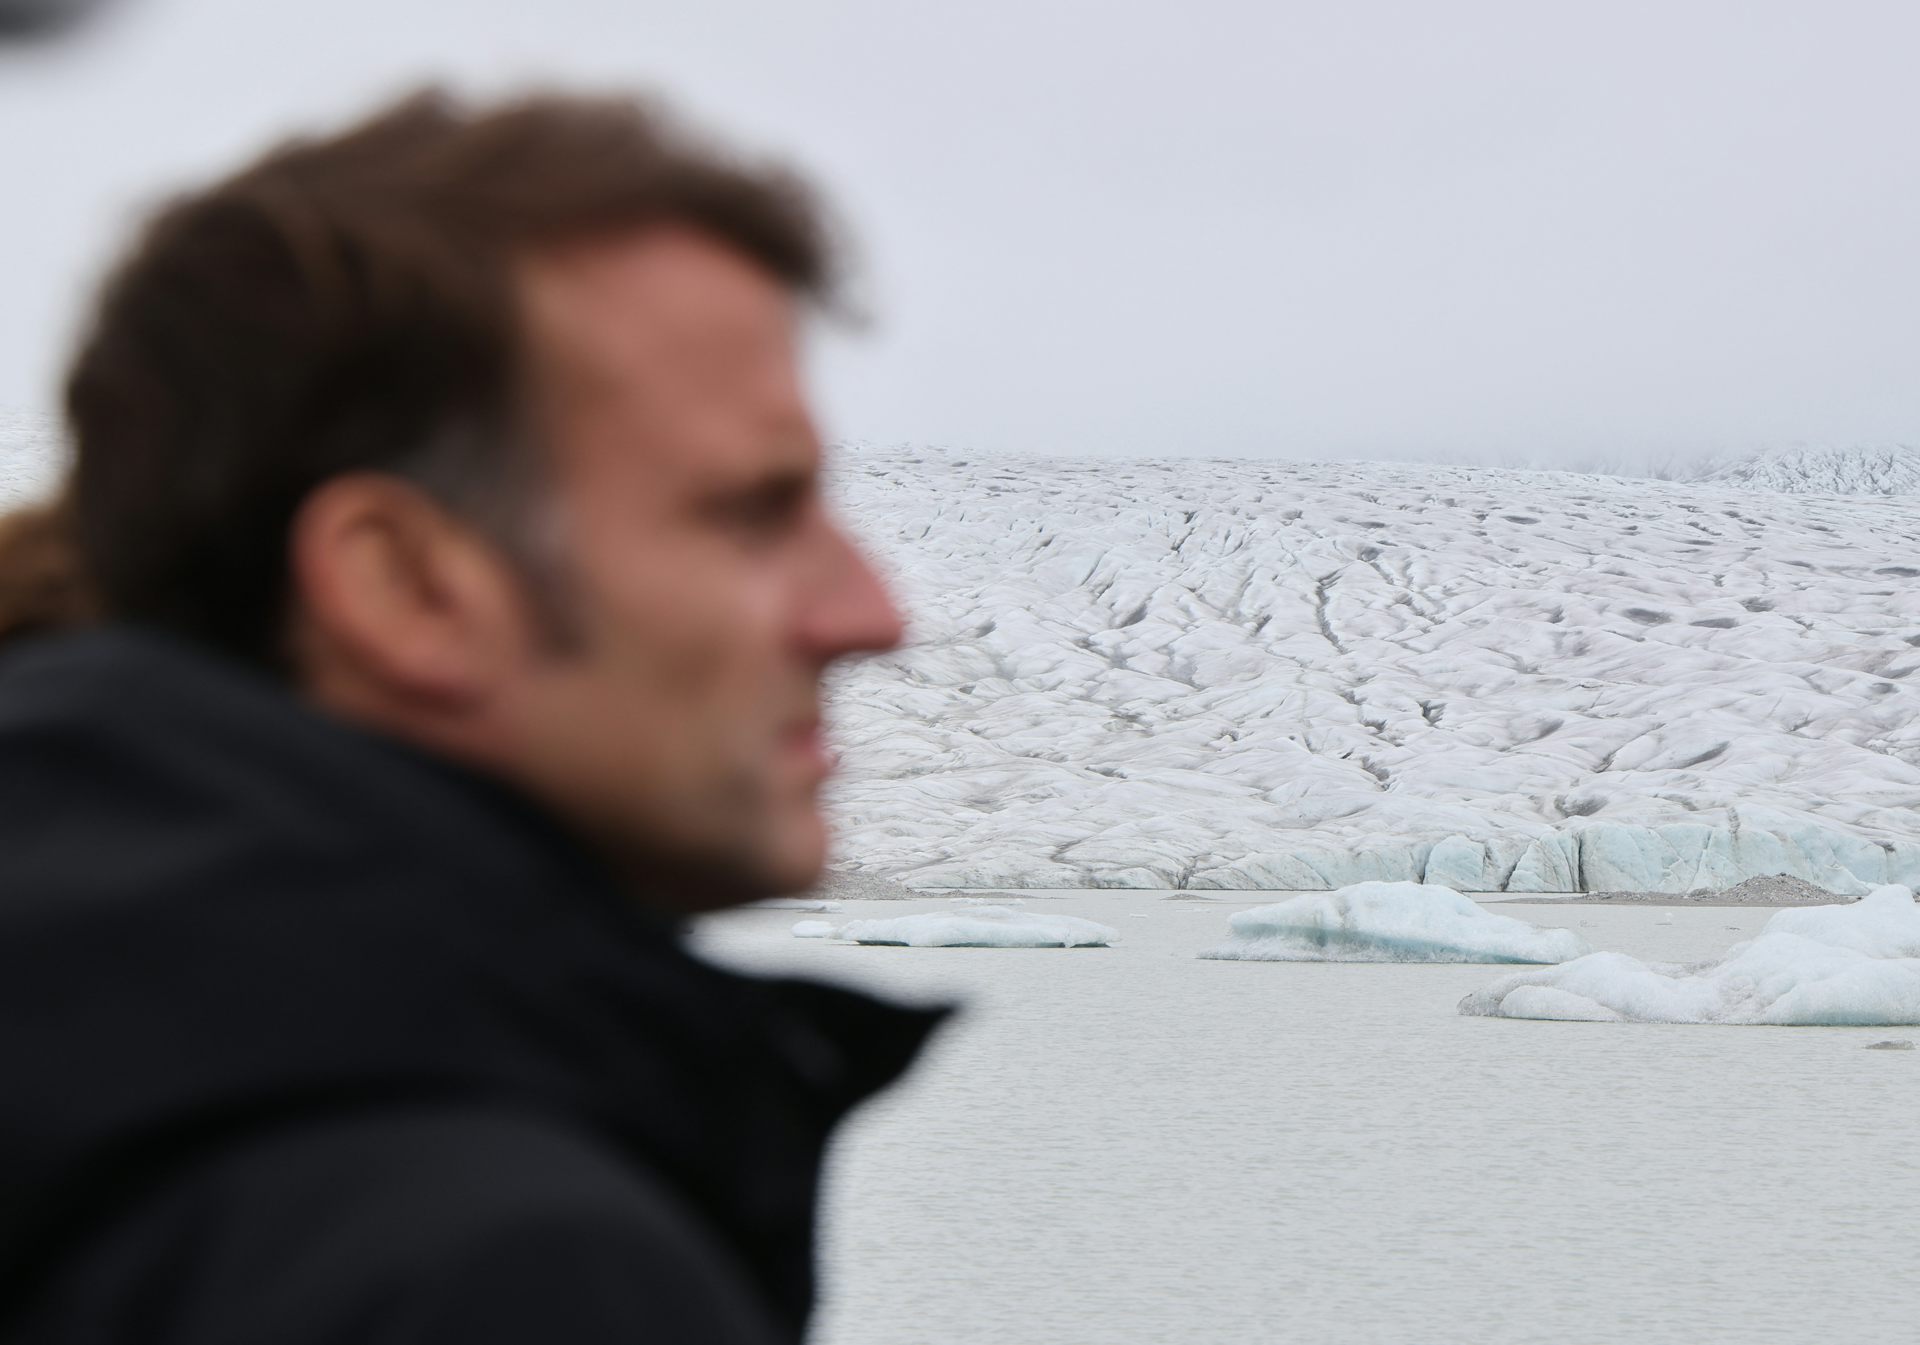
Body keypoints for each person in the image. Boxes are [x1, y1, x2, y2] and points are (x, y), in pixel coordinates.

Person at [0, 89, 944, 1343]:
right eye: (751, 511)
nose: (872, 613)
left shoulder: (99, 1133)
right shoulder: (501, 1270)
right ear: (403, 585)